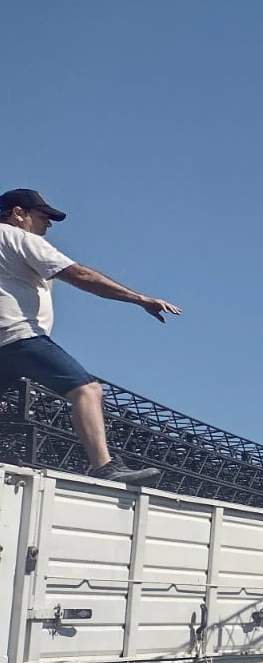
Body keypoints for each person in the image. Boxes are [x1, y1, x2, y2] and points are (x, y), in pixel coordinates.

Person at [0, 188, 181, 484]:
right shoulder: (19, 238)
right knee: (87, 389)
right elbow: (81, 276)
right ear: (18, 214)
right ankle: (104, 467)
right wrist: (139, 299)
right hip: (20, 336)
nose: (48, 225)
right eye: (44, 217)